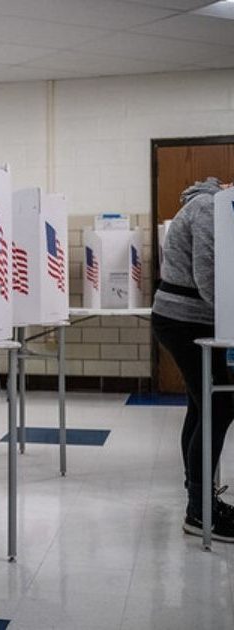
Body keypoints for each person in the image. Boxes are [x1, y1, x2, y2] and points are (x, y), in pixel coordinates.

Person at [151, 176, 234, 542]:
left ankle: (200, 502)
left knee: (204, 406)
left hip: (191, 319)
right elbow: (208, 275)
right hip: (182, 320)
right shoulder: (207, 208)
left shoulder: (213, 207)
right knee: (218, 406)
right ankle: (199, 511)